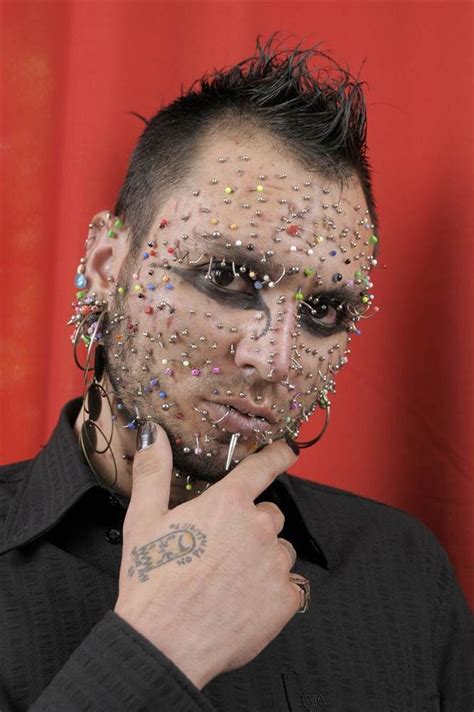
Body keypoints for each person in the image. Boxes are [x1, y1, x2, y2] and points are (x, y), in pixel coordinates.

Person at [0, 34, 472, 712]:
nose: (273, 358)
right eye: (226, 277)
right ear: (108, 267)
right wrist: (155, 649)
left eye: (321, 311)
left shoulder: (399, 571)